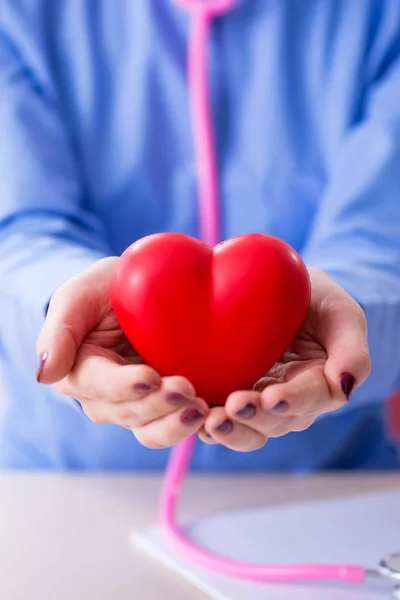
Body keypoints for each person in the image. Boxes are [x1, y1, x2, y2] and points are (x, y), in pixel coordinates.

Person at [1, 0, 400, 471]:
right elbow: (19, 227)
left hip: (328, 487)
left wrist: (342, 319)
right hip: (60, 486)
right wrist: (64, 316)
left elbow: (383, 240)